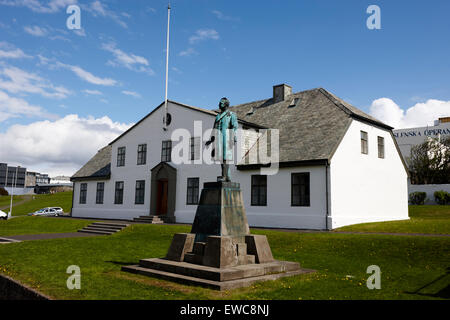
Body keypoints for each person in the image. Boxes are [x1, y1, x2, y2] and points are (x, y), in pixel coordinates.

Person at [206, 97, 238, 182]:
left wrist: (233, 137)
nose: (219, 104)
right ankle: (226, 176)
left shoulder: (231, 114)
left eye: (221, 103)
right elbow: (214, 128)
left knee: (225, 157)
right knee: (220, 157)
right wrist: (211, 139)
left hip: (226, 137)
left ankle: (224, 176)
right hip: (218, 137)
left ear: (226, 104)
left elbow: (235, 126)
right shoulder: (218, 116)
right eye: (219, 103)